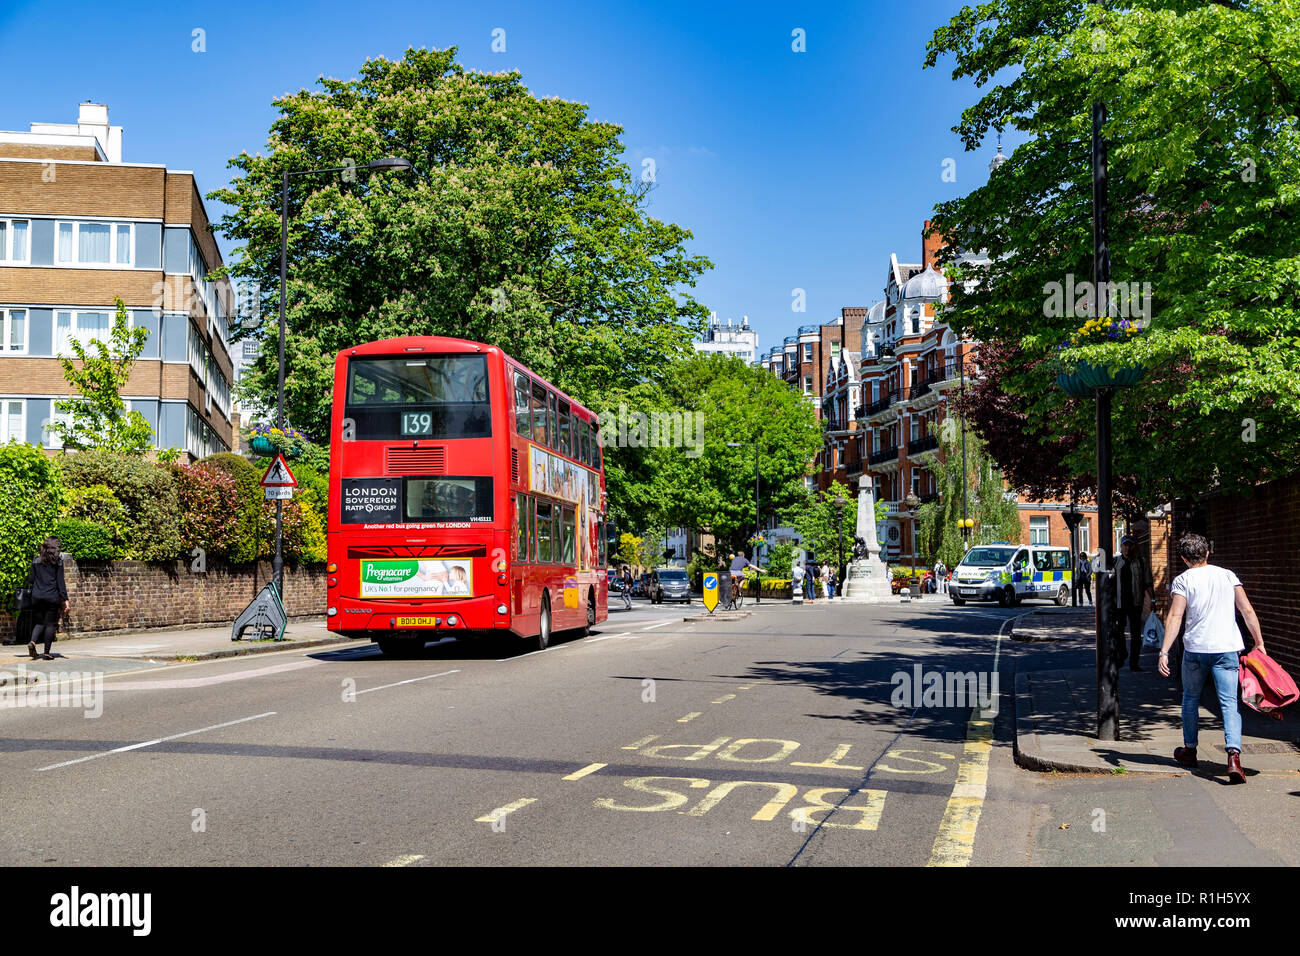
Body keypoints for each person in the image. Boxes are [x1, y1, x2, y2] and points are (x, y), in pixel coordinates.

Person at [1158, 533, 1263, 784]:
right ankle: (1234, 756)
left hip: (1196, 649)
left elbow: (1175, 617)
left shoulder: (1183, 580)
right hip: (1227, 648)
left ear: (1183, 558)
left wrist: (1164, 651)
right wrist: (1259, 643)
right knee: (1229, 702)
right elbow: (1246, 610)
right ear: (1207, 553)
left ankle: (1190, 750)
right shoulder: (1228, 576)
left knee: (1190, 698)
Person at [1113, 534, 1155, 671]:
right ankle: (1122, 654)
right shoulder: (1115, 562)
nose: (1127, 548)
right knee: (1118, 632)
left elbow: (1148, 582)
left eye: (1129, 545)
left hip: (1136, 603)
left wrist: (1153, 599)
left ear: (1134, 546)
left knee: (1136, 634)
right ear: (1121, 547)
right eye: (1125, 545)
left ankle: (1134, 663)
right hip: (1119, 603)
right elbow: (1108, 583)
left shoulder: (1141, 562)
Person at [27, 537, 68, 660]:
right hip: (51, 596)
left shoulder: (36, 560)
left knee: (39, 622)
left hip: (37, 596)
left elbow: (31, 579)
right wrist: (65, 599)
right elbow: (61, 582)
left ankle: (33, 642)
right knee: (50, 624)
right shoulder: (58, 561)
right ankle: (46, 653)